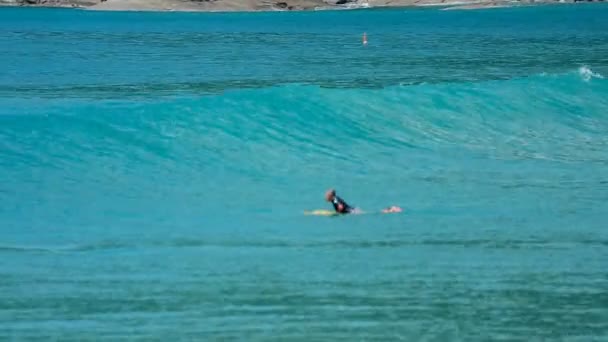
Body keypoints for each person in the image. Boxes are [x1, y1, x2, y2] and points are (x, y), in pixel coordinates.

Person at [325, 188, 403, 214]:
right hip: (352, 210)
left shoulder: (335, 199)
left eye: (327, 195)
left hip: (351, 212)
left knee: (373, 213)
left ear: (330, 196)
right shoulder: (336, 198)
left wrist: (338, 213)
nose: (326, 196)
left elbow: (341, 207)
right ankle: (390, 209)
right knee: (370, 212)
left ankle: (391, 209)